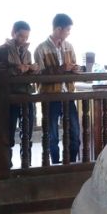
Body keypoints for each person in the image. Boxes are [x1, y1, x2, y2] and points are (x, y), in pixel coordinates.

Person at [0, 21, 39, 166]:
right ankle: (6, 164)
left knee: (27, 132)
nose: (23, 40)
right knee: (8, 132)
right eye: (21, 36)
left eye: (26, 37)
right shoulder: (1, 51)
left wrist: (33, 69)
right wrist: (17, 70)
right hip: (10, 96)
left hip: (26, 95)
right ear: (13, 33)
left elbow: (30, 71)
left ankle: (26, 162)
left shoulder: (28, 53)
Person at [34, 13, 81, 164]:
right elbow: (39, 74)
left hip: (68, 94)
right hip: (50, 96)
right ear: (58, 29)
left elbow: (73, 64)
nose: (69, 33)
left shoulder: (69, 46)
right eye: (67, 30)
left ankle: (71, 163)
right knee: (52, 135)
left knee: (75, 132)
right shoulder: (41, 49)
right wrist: (60, 69)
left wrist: (75, 69)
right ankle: (54, 164)